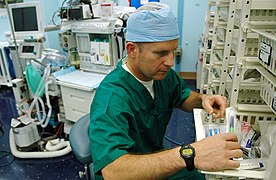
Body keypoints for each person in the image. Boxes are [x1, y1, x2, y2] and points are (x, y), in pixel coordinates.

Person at [89, 2, 243, 179]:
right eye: (161, 53)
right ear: (132, 50)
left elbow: (183, 96)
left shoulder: (161, 74)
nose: (170, 62)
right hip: (128, 172)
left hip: (153, 159)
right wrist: (189, 153)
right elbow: (113, 171)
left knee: (201, 177)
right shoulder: (112, 98)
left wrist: (203, 99)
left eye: (173, 51)